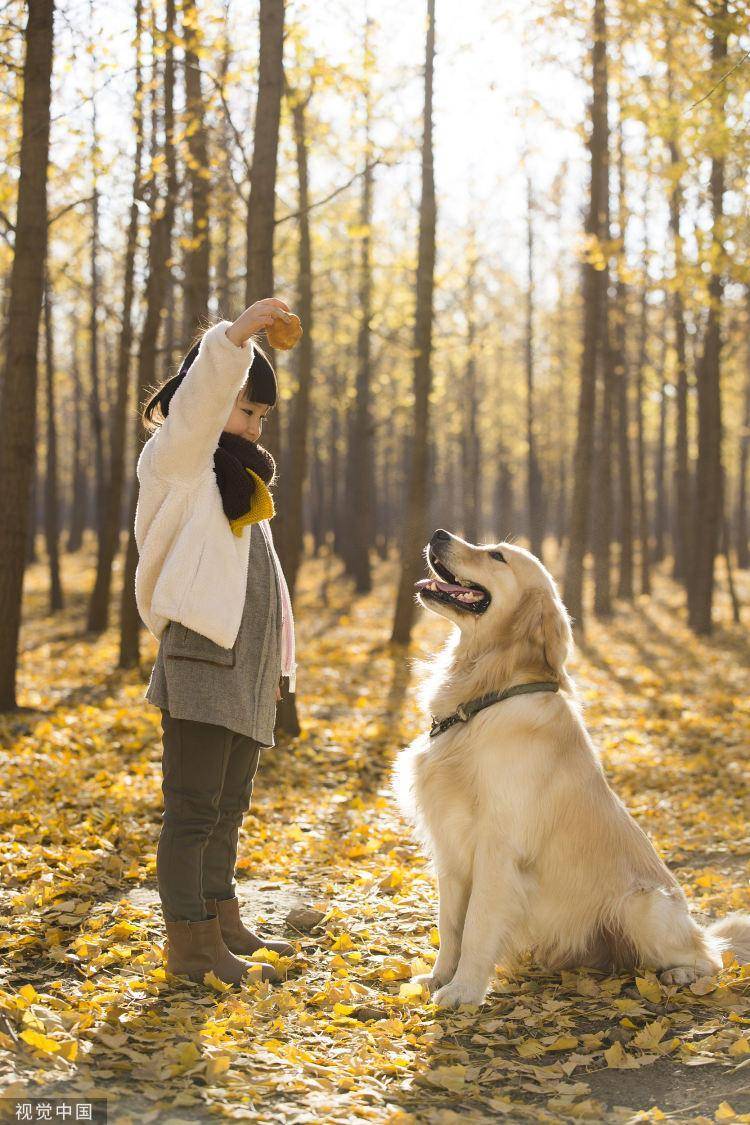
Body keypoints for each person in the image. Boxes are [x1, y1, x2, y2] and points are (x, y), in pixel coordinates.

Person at [134, 298, 298, 987]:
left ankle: (220, 916)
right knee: (194, 807)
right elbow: (201, 405)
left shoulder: (244, 486)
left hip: (246, 670)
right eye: (244, 409)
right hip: (202, 663)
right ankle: (191, 947)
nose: (253, 423)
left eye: (260, 415)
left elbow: (264, 588)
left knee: (228, 805)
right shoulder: (179, 463)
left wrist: (283, 667)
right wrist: (236, 337)